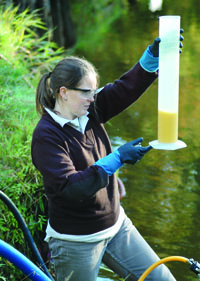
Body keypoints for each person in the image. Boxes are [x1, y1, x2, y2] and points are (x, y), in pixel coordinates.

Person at [31, 33, 183, 281]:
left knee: (163, 279)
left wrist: (151, 59)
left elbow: (122, 90)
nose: (94, 98)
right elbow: (71, 188)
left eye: (94, 91)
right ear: (63, 92)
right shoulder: (46, 137)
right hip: (76, 241)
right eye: (87, 92)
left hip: (117, 227)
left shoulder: (88, 108)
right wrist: (118, 158)